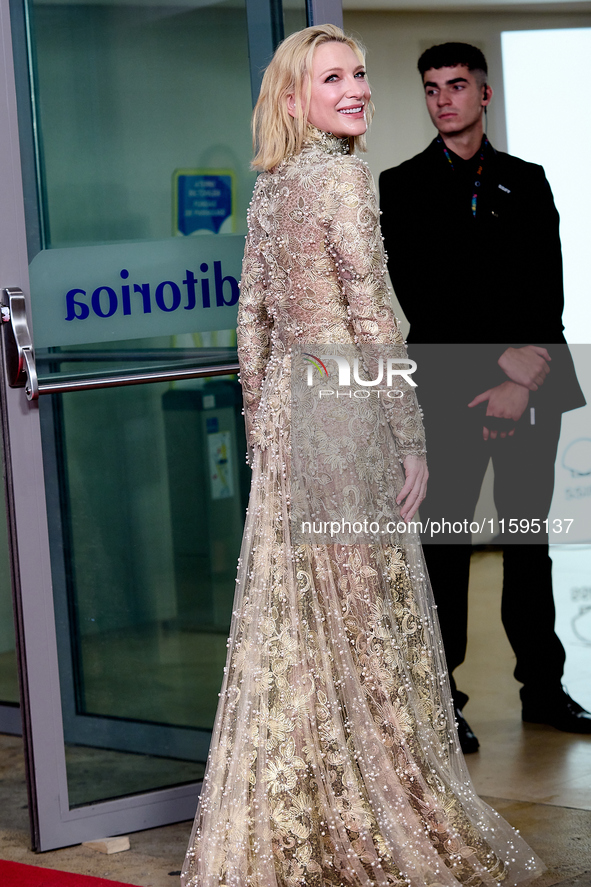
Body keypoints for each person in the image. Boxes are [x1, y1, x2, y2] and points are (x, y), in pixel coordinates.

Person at [181, 26, 544, 886]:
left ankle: (308, 807)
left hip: (296, 421)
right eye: (333, 78)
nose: (357, 90)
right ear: (293, 96)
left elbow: (252, 318)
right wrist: (409, 432)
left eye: (359, 74)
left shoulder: (272, 186)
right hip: (347, 411)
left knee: (299, 622)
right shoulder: (341, 180)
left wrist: (265, 420)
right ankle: (372, 809)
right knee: (364, 621)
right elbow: (374, 319)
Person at [379, 42, 588, 755]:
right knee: (445, 545)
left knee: (529, 544)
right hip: (446, 391)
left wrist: (519, 378)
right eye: (432, 88)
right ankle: (444, 697)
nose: (442, 99)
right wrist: (496, 362)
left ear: (484, 95)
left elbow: (544, 289)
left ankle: (543, 688)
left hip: (529, 390)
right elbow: (421, 294)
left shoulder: (525, 181)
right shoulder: (399, 186)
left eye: (456, 85)